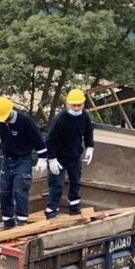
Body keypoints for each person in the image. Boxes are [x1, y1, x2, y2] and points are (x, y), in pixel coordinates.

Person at [0, 96, 48, 228]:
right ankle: (8, 221)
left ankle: (22, 220)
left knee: (19, 190)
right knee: (5, 191)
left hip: (23, 159)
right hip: (7, 160)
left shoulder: (24, 121)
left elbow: (37, 139)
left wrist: (42, 158)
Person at [44, 89, 95, 219]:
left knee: (75, 182)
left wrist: (90, 147)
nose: (76, 108)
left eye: (79, 105)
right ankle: (51, 211)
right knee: (57, 185)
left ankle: (74, 208)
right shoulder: (60, 119)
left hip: (74, 156)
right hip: (59, 158)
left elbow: (88, 132)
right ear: (68, 104)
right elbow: (50, 140)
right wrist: (52, 159)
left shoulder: (84, 116)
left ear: (83, 103)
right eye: (74, 105)